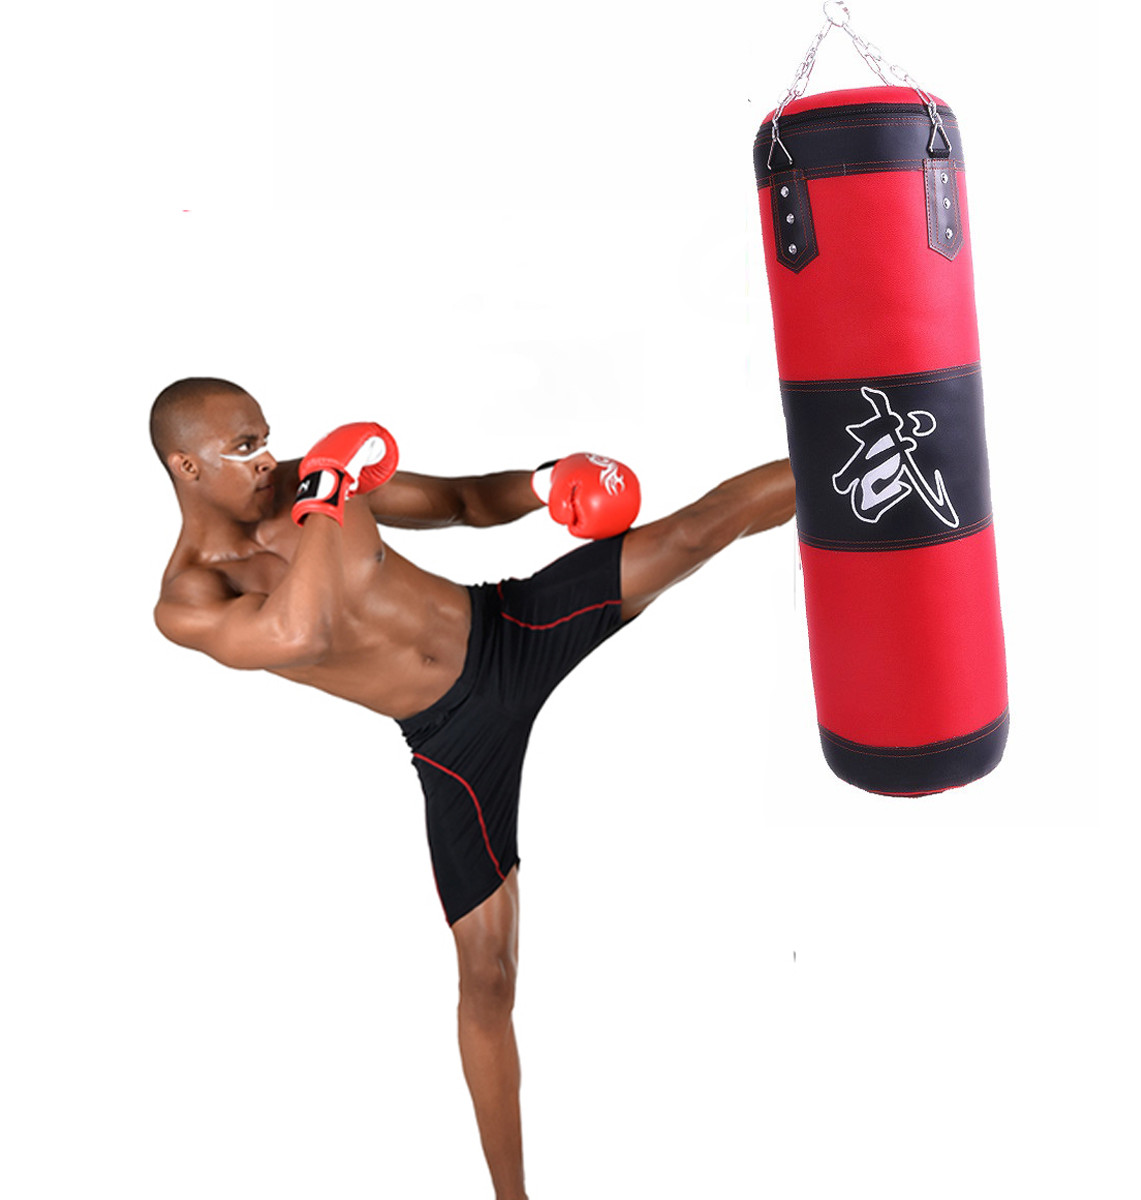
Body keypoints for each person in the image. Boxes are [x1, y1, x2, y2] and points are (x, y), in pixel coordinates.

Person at [151, 377, 795, 1200]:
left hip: (510, 628)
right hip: (455, 742)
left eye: (267, 438)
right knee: (487, 977)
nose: (266, 460)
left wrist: (543, 483)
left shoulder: (314, 476)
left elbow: (459, 502)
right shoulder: (190, 596)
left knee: (697, 532)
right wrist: (326, 493)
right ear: (187, 467)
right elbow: (298, 631)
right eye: (243, 449)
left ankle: (884, 453)